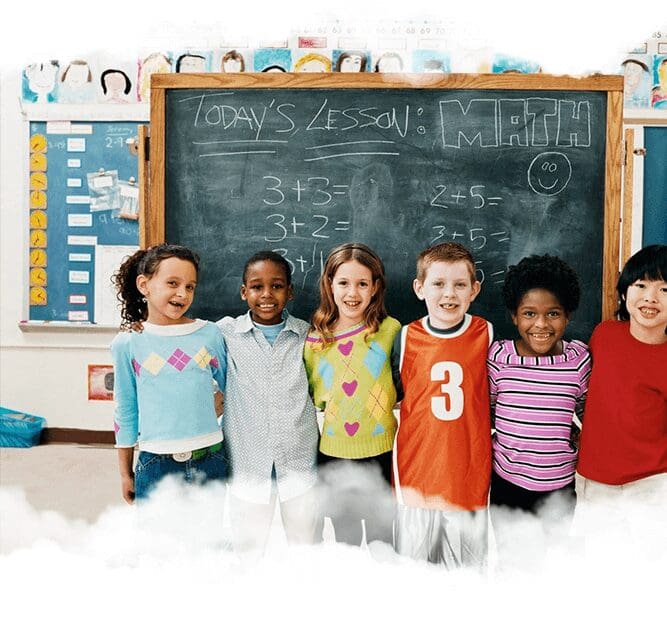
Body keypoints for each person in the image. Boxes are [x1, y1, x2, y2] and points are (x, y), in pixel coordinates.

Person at [487, 254, 592, 570]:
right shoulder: (499, 357)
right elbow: (489, 410)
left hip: (559, 488)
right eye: (529, 313)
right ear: (514, 316)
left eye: (553, 314)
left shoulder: (578, 361)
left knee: (553, 570)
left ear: (568, 316)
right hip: (508, 485)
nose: (541, 324)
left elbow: (591, 411)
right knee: (512, 566)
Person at [392, 242, 492, 570]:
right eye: (438, 284)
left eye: (460, 284)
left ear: (474, 290)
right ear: (419, 288)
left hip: (467, 476)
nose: (449, 293)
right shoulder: (404, 336)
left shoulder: (485, 333)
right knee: (416, 572)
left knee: (465, 578)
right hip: (417, 473)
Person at [216, 251, 320, 558]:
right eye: (257, 286)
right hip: (248, 464)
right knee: (248, 553)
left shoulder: (307, 335)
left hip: (300, 463)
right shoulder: (225, 334)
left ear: (290, 292)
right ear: (243, 291)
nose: (266, 295)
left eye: (276, 286)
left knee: (306, 551)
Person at [111, 244, 228, 503]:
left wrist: (217, 403)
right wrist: (124, 473)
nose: (182, 294)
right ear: (144, 285)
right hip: (156, 462)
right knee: (158, 543)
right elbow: (125, 408)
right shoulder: (128, 343)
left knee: (207, 540)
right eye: (172, 283)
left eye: (190, 287)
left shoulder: (209, 334)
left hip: (210, 456)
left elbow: (231, 385)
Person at [304, 243, 401, 548]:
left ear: (375, 288)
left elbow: (402, 386)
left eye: (362, 283)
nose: (353, 293)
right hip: (334, 454)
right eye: (343, 283)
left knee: (381, 542)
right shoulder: (316, 341)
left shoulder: (391, 332)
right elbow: (316, 396)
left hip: (381, 455)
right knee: (345, 545)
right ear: (329, 284)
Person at [575, 245, 667, 557]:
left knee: (645, 572)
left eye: (664, 289)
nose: (650, 298)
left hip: (652, 486)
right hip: (595, 482)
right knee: (598, 568)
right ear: (624, 293)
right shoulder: (604, 335)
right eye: (640, 285)